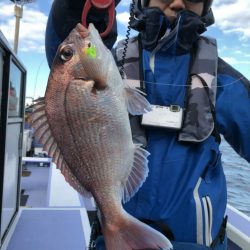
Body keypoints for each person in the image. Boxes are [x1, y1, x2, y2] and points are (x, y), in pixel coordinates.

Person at [45, 0, 250, 249]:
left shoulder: (223, 80)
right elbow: (66, 58)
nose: (177, 2)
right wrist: (84, 8)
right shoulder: (112, 61)